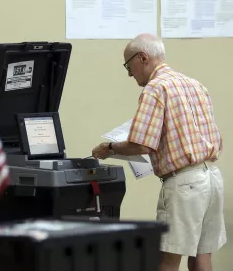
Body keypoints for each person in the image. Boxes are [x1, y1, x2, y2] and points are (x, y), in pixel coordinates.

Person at [92, 33, 226, 271]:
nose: (129, 73)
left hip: (184, 185)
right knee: (202, 255)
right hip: (212, 178)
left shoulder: (155, 89)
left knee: (167, 258)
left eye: (128, 65)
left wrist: (109, 148)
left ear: (142, 57)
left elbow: (141, 145)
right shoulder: (195, 85)